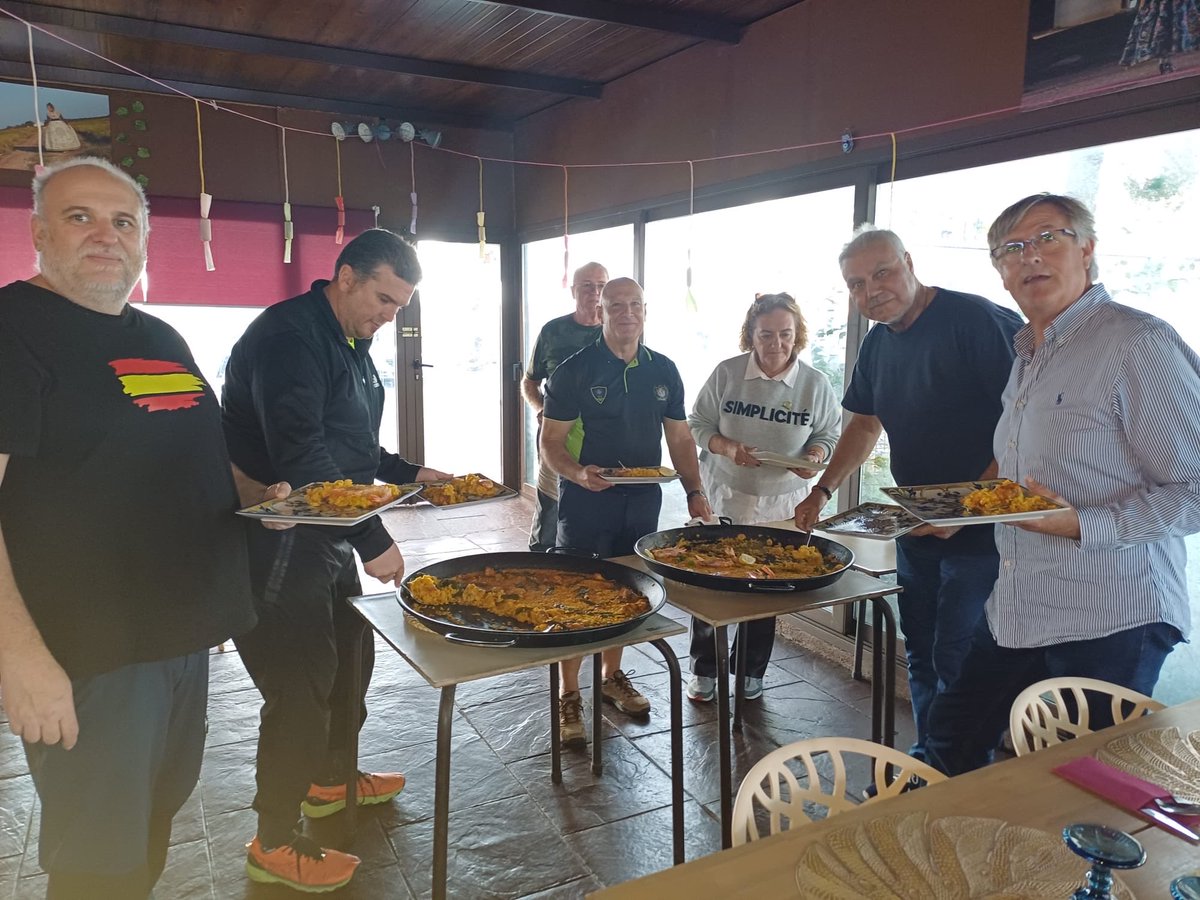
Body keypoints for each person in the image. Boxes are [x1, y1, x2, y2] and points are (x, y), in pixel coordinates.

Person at [0, 157, 281, 899]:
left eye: (123, 221)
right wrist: (18, 661)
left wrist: (271, 497)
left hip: (180, 637)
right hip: (89, 654)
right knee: (99, 864)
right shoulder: (12, 329)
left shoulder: (159, 336)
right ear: (37, 233)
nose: (105, 236)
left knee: (152, 825)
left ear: (146, 239)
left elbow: (200, 453)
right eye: (79, 217)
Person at [924, 193, 1200, 777]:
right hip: (1019, 604)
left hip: (1112, 615)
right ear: (1000, 271)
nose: (1030, 258)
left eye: (1048, 238)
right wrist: (958, 508)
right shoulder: (1029, 350)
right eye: (1011, 249)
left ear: (1088, 249)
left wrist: (1080, 523)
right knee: (951, 741)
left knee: (1089, 789)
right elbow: (1018, 469)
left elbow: (1193, 489)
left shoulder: (1136, 342)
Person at [221, 228, 452, 892]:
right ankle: (271, 840)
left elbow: (351, 450)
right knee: (300, 684)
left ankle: (329, 779)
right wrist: (376, 541)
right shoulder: (290, 338)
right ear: (345, 277)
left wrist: (412, 472)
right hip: (278, 536)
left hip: (325, 532)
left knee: (352, 656)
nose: (389, 316)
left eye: (399, 306)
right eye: (384, 299)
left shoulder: (353, 344)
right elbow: (302, 456)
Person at [794, 226, 1023, 764]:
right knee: (920, 652)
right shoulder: (878, 343)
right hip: (916, 527)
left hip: (984, 533)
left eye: (882, 273)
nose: (872, 290)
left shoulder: (977, 321)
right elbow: (865, 423)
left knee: (960, 657)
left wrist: (966, 508)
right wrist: (822, 490)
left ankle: (966, 769)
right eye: (856, 284)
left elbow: (1026, 422)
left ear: (910, 262)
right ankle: (930, 759)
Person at [541, 277, 712, 747]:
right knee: (574, 592)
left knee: (627, 589)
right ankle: (568, 691)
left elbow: (679, 437)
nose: (626, 313)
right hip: (585, 498)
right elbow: (550, 443)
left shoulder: (664, 370)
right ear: (601, 311)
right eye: (616, 305)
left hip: (642, 498)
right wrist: (577, 474)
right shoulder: (574, 370)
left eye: (634, 304)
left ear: (644, 309)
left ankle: (611, 675)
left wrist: (695, 490)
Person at [685, 292, 841, 702]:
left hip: (781, 500)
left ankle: (750, 669)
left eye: (785, 334)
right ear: (750, 335)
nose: (776, 344)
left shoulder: (814, 383)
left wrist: (815, 456)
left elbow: (828, 434)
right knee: (712, 580)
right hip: (725, 489)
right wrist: (726, 447)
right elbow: (697, 423)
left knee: (768, 583)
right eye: (766, 334)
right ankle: (704, 669)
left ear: (798, 335)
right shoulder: (728, 373)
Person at [522, 262, 607, 551]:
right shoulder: (553, 331)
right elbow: (529, 381)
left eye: (601, 286)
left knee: (594, 513)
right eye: (587, 285)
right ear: (574, 290)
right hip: (556, 436)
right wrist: (540, 409)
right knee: (551, 510)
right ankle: (538, 569)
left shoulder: (617, 333)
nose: (595, 292)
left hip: (601, 440)